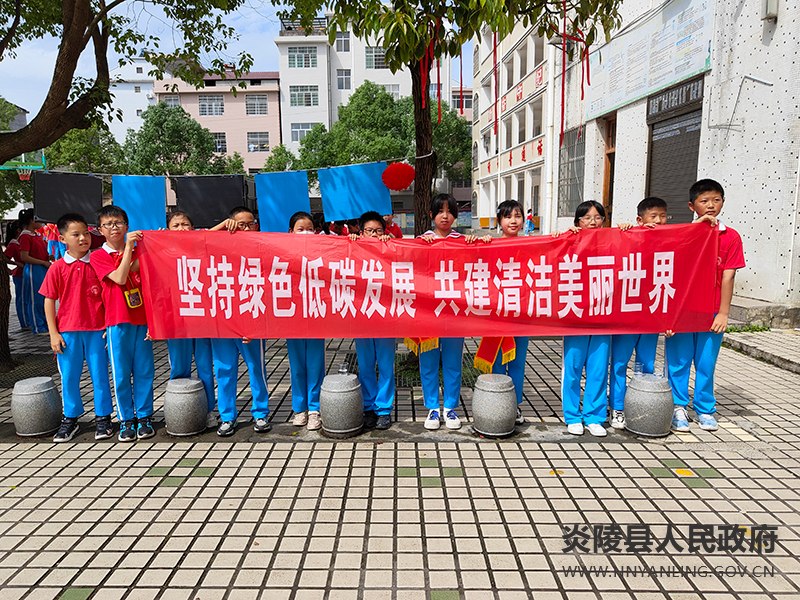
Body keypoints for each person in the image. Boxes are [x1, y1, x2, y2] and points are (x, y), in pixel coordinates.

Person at [666, 179, 744, 432]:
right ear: (692, 206)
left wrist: (723, 313)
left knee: (706, 362)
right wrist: (668, 315)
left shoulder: (730, 237)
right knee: (678, 360)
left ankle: (705, 408)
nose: (711, 205)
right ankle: (678, 406)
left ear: (723, 202)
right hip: (683, 310)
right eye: (704, 201)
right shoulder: (681, 234)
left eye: (716, 200)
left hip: (712, 310)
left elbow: (729, 276)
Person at [419, 193, 491, 430]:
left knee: (452, 361)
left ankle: (450, 407)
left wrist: (484, 242)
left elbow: (483, 261)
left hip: (454, 312)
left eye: (450, 211)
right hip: (428, 313)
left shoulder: (463, 240)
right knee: (428, 361)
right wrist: (419, 248)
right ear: (431, 215)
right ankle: (432, 408)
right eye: (440, 211)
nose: (445, 216)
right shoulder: (421, 241)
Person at [41, 213, 114, 442]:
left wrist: (109, 325)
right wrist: (53, 333)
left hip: (97, 330)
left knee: (100, 375)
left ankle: (103, 417)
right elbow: (49, 300)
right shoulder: (57, 268)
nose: (83, 238)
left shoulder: (98, 263)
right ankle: (70, 418)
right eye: (76, 234)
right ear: (62, 239)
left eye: (86, 233)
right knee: (69, 377)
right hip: (67, 332)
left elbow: (109, 296)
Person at [90, 206, 155, 442]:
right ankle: (126, 419)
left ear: (127, 226)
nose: (114, 227)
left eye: (118, 222)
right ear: (100, 230)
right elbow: (119, 277)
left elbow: (144, 267)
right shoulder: (98, 256)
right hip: (117, 320)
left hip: (142, 319)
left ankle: (145, 417)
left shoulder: (139, 251)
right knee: (121, 373)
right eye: (108, 224)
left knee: (145, 370)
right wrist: (128, 248)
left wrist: (154, 243)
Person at [209, 206, 272, 436]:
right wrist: (222, 227)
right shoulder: (218, 245)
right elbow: (197, 243)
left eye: (250, 224)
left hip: (251, 318)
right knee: (224, 370)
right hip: (223, 320)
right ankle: (227, 417)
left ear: (256, 225)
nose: (245, 228)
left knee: (256, 368)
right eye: (240, 224)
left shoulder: (262, 246)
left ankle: (261, 414)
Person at [608, 197, 668, 430]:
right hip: (627, 316)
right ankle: (617, 407)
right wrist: (626, 231)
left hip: (651, 316)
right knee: (619, 363)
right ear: (640, 220)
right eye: (653, 216)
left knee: (646, 364)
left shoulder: (670, 242)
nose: (659, 221)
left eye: (663, 216)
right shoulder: (630, 238)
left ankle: (642, 404)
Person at [554, 200, 610, 437]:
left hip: (603, 316)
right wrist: (562, 237)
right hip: (575, 315)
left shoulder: (613, 243)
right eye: (587, 218)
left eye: (597, 217)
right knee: (573, 368)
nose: (593, 222)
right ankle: (573, 416)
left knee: (598, 369)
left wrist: (627, 230)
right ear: (578, 222)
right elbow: (552, 256)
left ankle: (594, 416)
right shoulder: (570, 241)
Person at [164, 210, 217, 429]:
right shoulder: (162, 251)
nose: (181, 229)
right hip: (176, 320)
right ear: (167, 230)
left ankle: (208, 410)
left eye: (185, 224)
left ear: (193, 228)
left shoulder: (200, 247)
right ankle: (179, 410)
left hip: (201, 316)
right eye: (175, 226)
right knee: (179, 366)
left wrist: (226, 222)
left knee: (205, 366)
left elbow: (213, 235)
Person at [350, 212, 395, 430]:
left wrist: (390, 242)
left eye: (378, 230)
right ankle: (368, 407)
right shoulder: (353, 248)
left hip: (386, 316)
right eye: (369, 231)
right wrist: (350, 242)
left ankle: (384, 410)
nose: (374, 235)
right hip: (362, 316)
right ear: (361, 232)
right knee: (366, 364)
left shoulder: (391, 248)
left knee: (386, 365)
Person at [487, 200, 528, 424]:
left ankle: (514, 405)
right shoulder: (489, 244)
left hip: (522, 316)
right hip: (496, 316)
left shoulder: (532, 245)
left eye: (518, 216)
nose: (513, 221)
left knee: (518, 363)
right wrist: (478, 242)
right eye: (508, 216)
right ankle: (496, 403)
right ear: (499, 220)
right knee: (497, 363)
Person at [286, 211, 326, 431]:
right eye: (300, 229)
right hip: (292, 317)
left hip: (316, 315)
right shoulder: (282, 253)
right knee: (297, 366)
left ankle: (314, 409)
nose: (306, 233)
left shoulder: (322, 251)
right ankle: (299, 408)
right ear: (290, 232)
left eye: (310, 229)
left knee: (315, 364)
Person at [18, 209, 51, 334]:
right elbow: (24, 257)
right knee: (35, 299)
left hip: (42, 268)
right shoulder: (25, 236)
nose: (41, 223)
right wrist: (42, 262)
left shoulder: (36, 235)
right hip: (33, 269)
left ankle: (45, 323)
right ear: (32, 220)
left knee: (44, 297)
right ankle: (37, 326)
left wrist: (48, 257)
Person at [4, 221, 28, 330]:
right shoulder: (14, 244)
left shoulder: (21, 242)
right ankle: (24, 322)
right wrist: (16, 264)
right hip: (19, 275)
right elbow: (5, 257)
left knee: (27, 299)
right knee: (22, 300)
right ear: (19, 230)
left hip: (26, 273)